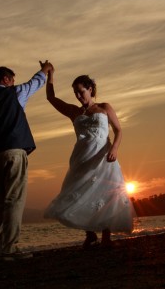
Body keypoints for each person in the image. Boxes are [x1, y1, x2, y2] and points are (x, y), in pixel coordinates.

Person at [43, 69, 135, 247]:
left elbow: (118, 130)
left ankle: (107, 237)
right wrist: (50, 75)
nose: (78, 96)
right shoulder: (74, 112)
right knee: (81, 194)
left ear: (90, 89)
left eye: (81, 91)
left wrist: (115, 148)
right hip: (81, 157)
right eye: (75, 93)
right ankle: (90, 234)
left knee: (106, 194)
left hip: (104, 157)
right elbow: (51, 98)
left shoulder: (105, 107)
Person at [0, 62, 52, 260]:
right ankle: (10, 247)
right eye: (12, 79)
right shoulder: (15, 92)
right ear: (6, 79)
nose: (14, 82)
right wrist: (46, 69)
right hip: (15, 151)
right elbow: (36, 82)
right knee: (14, 199)